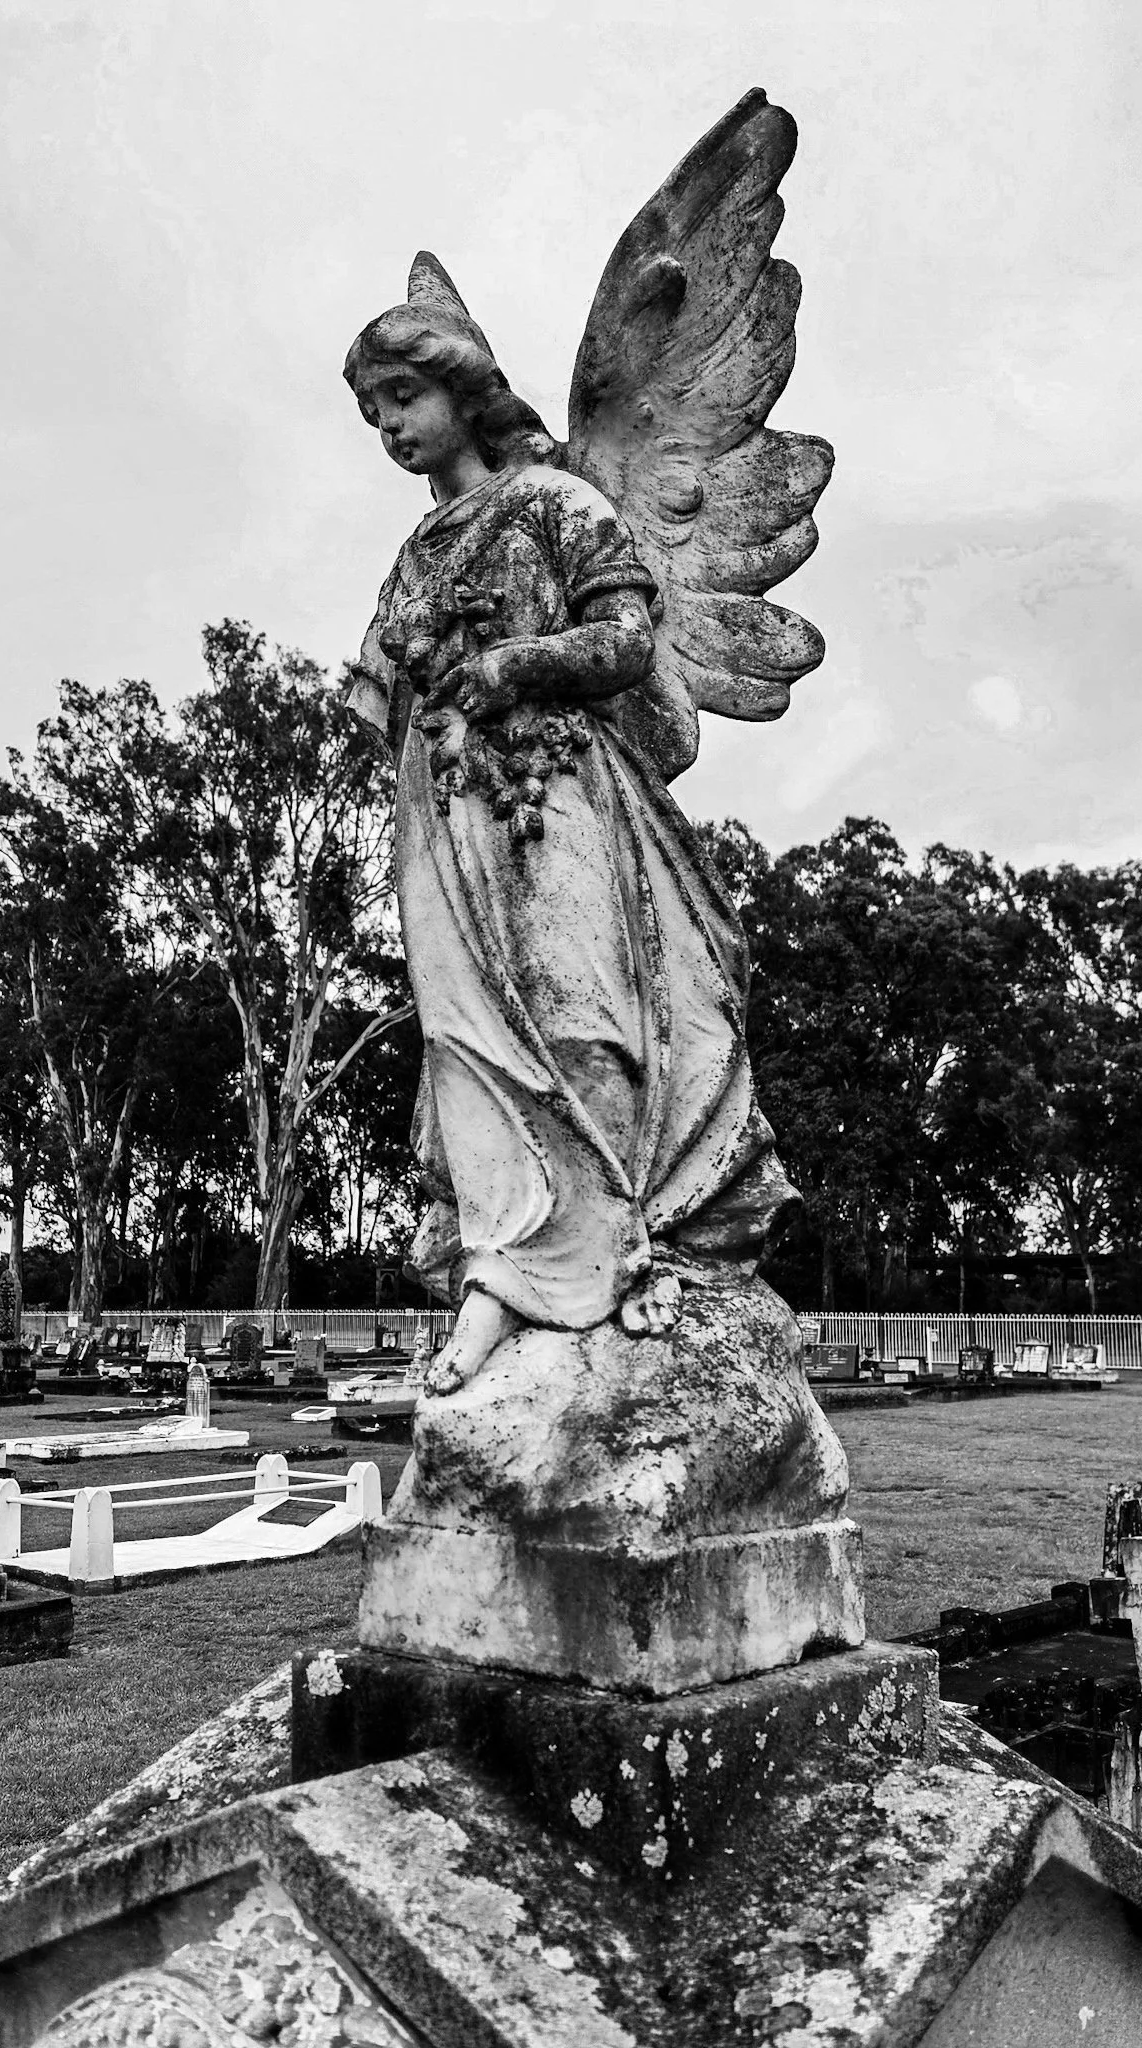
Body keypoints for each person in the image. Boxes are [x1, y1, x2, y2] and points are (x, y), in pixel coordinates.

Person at [344, 268, 794, 1394]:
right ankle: (505, 1276)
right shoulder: (414, 552)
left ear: (462, 389)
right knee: (471, 1042)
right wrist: (385, 686)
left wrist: (511, 663)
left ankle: (611, 1256)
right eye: (371, 411)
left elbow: (625, 639)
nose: (389, 425)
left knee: (578, 1016)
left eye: (401, 395)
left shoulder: (555, 503)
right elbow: (380, 701)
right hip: (452, 822)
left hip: (556, 797)